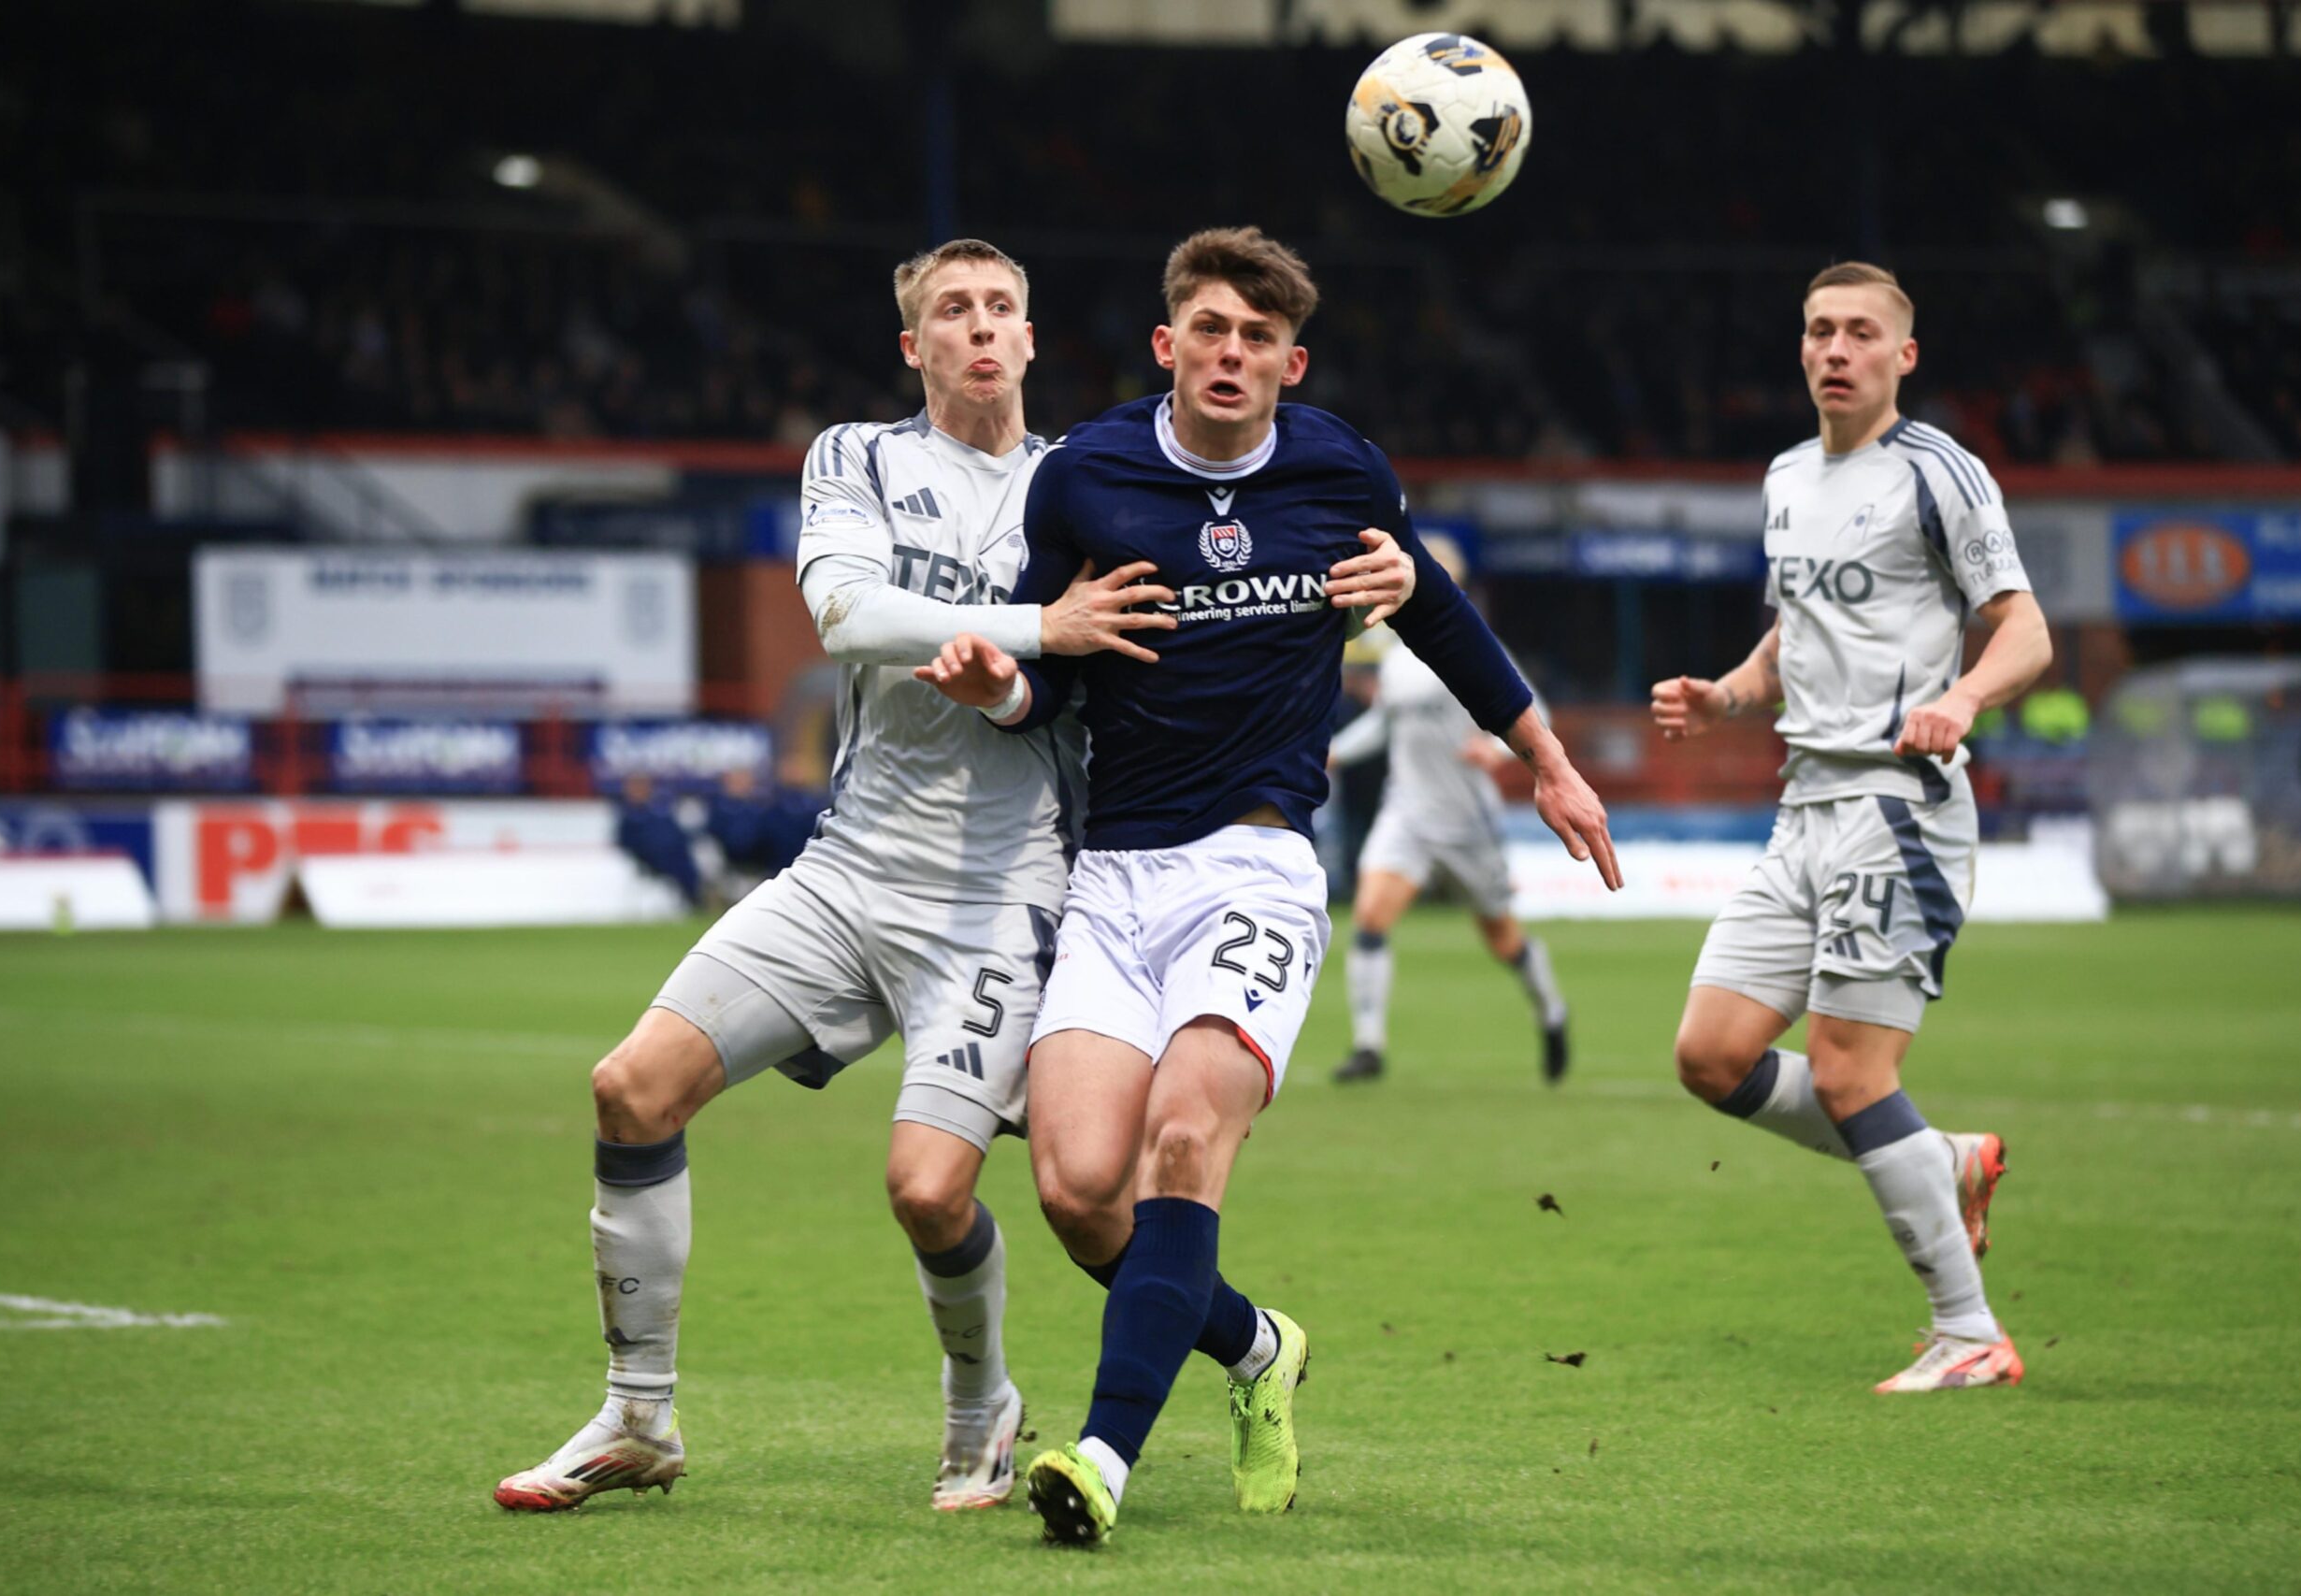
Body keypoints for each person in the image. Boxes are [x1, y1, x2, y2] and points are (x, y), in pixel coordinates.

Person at [492, 237, 1417, 1516]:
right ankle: (637, 1413)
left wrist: (1392, 582)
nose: (981, 328)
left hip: (1007, 892)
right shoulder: (856, 458)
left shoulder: (1092, 481)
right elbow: (848, 615)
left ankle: (988, 1406)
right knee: (630, 1087)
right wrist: (1047, 625)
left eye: (1002, 309)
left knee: (942, 1189)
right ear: (913, 345)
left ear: (1033, 340)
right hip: (847, 867)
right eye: (952, 311)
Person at [918, 226, 1620, 1545]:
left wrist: (1549, 759)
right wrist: (1001, 681)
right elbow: (1050, 665)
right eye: (1211, 330)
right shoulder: (1086, 477)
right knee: (1077, 1188)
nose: (1231, 354)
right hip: (1113, 874)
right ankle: (1254, 1347)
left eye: (1257, 338)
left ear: (1290, 363)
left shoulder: (1340, 467)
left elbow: (1439, 616)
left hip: (1256, 863)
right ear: (1165, 344)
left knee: (1187, 1134)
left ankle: (1104, 1457)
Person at [1650, 262, 2054, 1394]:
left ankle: (1969, 1332)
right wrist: (1730, 697)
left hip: (1898, 807)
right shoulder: (1785, 476)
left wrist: (1963, 697)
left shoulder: (1940, 473)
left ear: (1901, 356)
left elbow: (2023, 630)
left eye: (1860, 333)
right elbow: (1795, 628)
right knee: (1710, 1056)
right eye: (1820, 330)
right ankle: (1940, 1162)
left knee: (1845, 1073)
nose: (1836, 348)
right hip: (1802, 808)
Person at [1325, 538, 1571, 1086]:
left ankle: (1551, 1013)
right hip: (1407, 813)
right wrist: (1335, 752)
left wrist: (1499, 749)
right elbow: (1385, 727)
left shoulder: (1475, 649)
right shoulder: (1394, 660)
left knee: (1502, 939)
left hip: (1466, 822)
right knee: (1369, 918)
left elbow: (1539, 714)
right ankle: (1369, 1046)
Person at [613, 773, 702, 908]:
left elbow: (676, 833)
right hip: (647, 859)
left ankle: (694, 898)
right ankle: (694, 899)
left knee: (687, 862)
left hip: (671, 855)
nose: (640, 792)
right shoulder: (627, 816)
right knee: (679, 864)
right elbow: (624, 842)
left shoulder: (659, 811)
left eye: (643, 787)